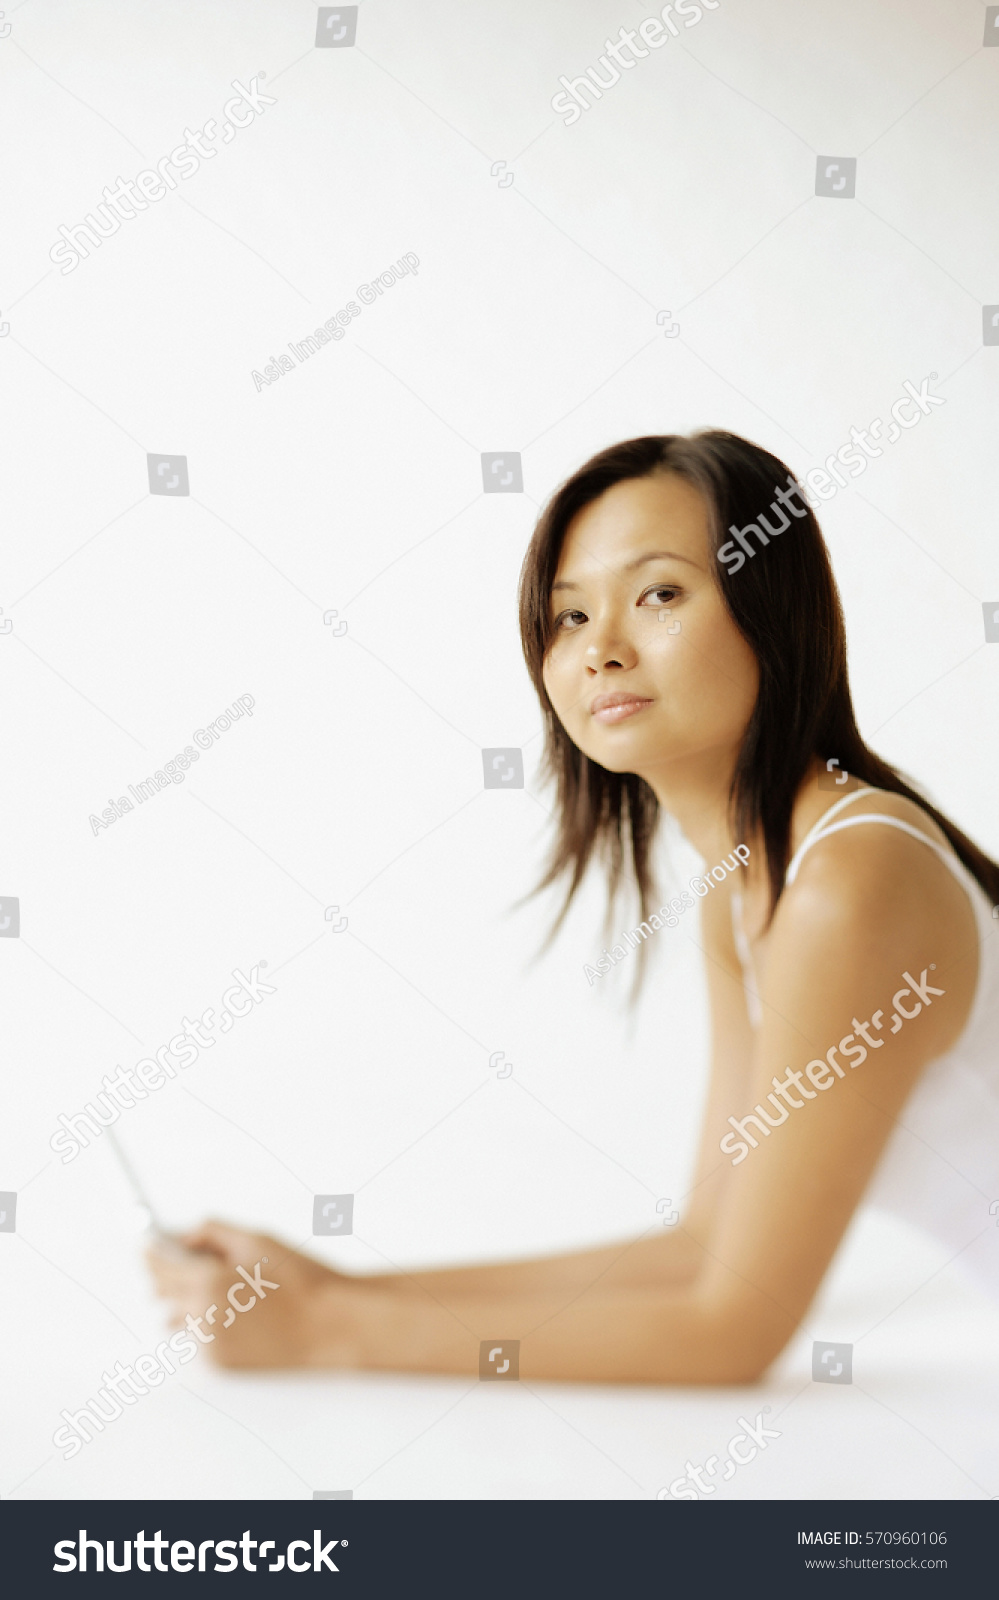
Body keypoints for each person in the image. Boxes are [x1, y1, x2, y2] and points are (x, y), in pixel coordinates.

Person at [147, 431, 999, 1384]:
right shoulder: (749, 892)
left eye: (659, 594)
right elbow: (702, 1249)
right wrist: (338, 1291)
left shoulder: (848, 883)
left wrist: (326, 1336)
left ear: (774, 608)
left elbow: (730, 1332)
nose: (600, 650)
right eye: (566, 617)